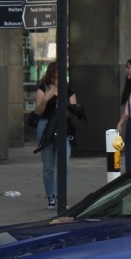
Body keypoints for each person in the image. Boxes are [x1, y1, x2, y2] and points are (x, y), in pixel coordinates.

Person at [33, 61, 76, 208]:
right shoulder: (42, 89)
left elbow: (73, 112)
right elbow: (38, 111)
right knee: (49, 165)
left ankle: (61, 194)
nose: (59, 79)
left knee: (65, 162)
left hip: (62, 126)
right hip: (46, 126)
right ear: (51, 74)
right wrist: (47, 97)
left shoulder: (68, 91)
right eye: (56, 76)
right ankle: (51, 196)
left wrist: (65, 107)